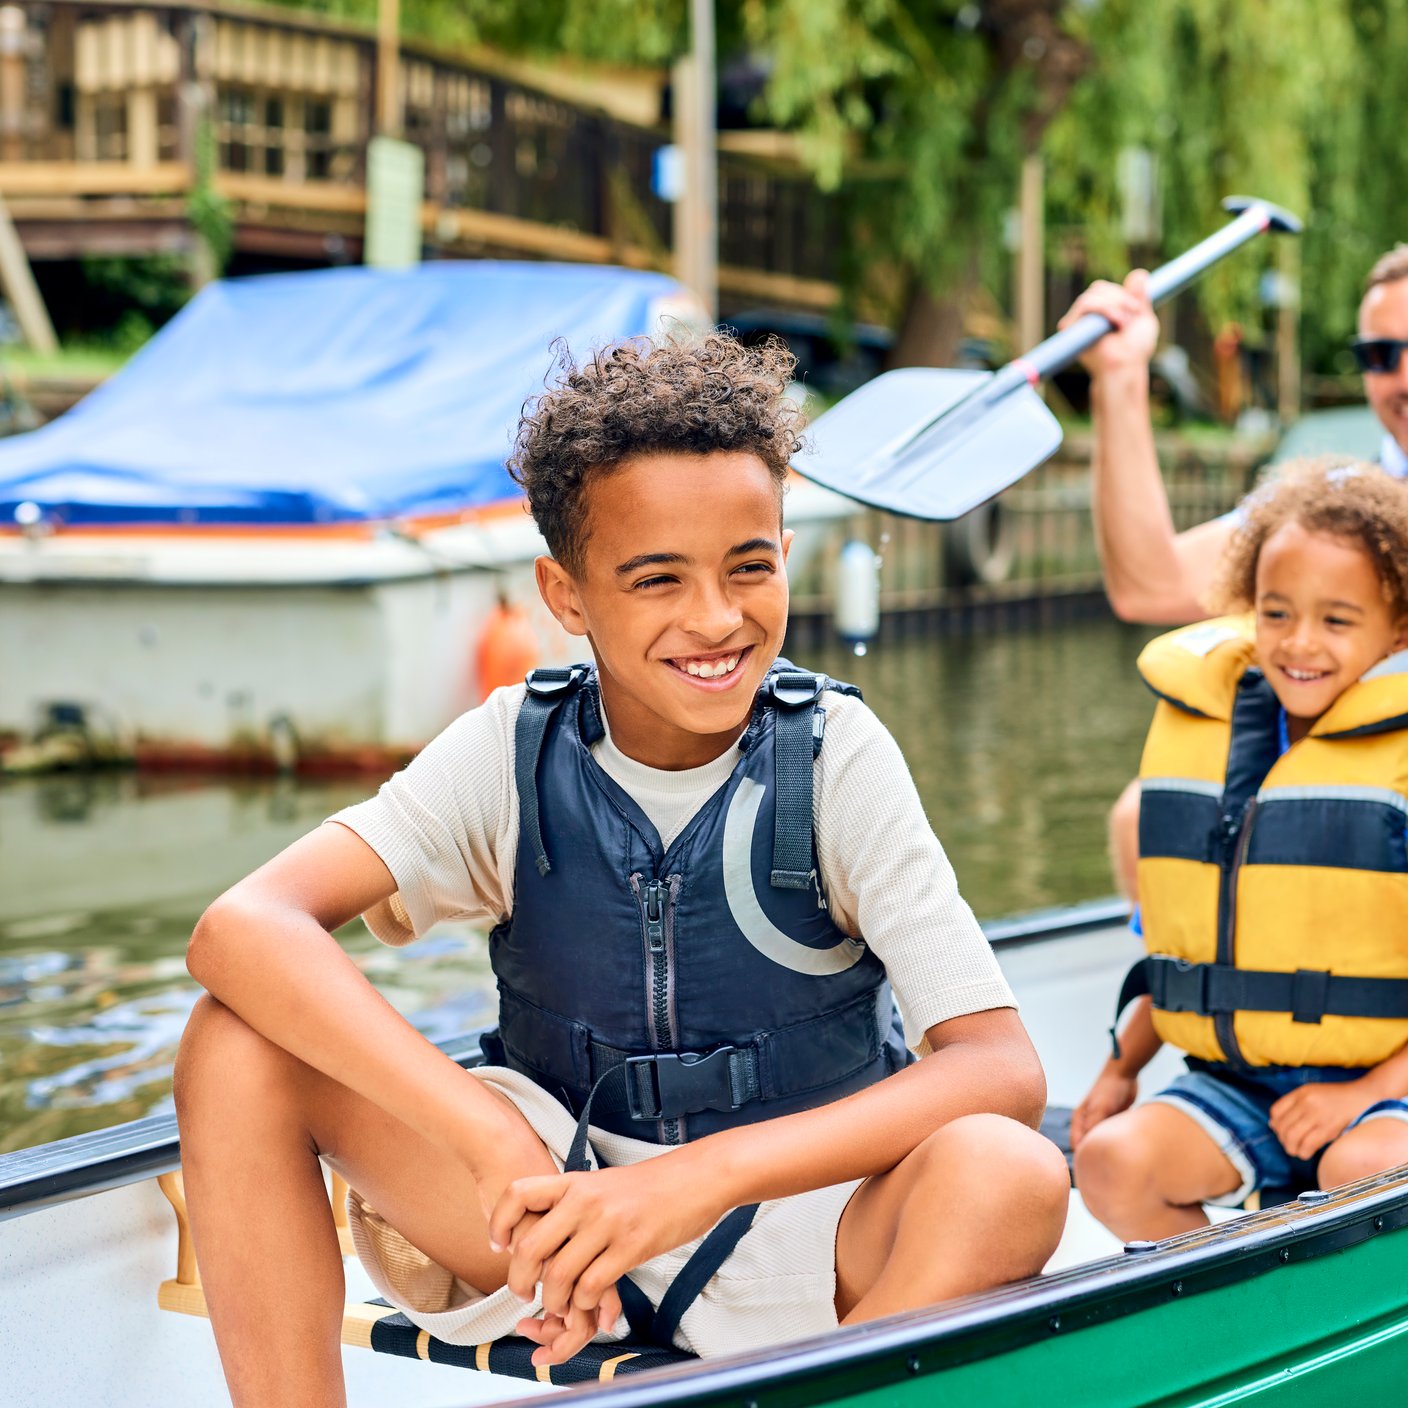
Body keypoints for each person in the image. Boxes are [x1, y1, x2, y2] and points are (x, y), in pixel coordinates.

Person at [173, 331, 1070, 1407]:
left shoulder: (837, 758)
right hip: (549, 1212)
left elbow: (999, 1074)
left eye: (751, 566)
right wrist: (494, 1140)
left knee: (1008, 1172)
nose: (716, 618)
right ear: (566, 594)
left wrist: (693, 1183)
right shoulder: (507, 748)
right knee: (233, 1038)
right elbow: (242, 926)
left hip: (799, 1224)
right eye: (657, 579)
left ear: (785, 548)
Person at [1069, 457, 1408, 1241]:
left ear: (1396, 628)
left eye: (1336, 620)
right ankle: (1245, 1301)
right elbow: (1181, 954)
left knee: (1355, 1172)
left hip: (1387, 1087)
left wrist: (1359, 1096)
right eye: (1277, 613)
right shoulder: (1214, 742)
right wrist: (1121, 1070)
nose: (1300, 644)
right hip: (1245, 1082)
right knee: (1112, 1161)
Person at [1062, 244, 1408, 899]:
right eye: (1382, 355)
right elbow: (1151, 582)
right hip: (1349, 786)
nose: (1404, 377)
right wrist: (1121, 377)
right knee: (1142, 814)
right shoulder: (1334, 505)